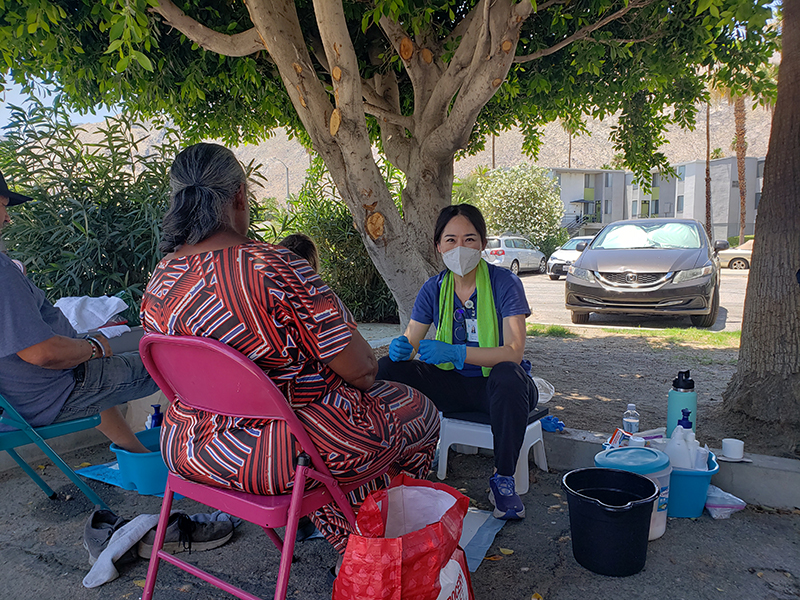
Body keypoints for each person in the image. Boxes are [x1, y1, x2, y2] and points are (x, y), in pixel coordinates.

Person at [139, 143, 439, 557]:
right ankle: (375, 549)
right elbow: (362, 370)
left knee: (342, 423)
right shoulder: (274, 266)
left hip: (190, 448)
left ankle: (354, 541)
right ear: (240, 195)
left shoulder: (160, 278)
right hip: (280, 458)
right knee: (415, 411)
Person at [377, 203, 538, 520]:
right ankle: (392, 465)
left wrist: (456, 352)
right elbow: (411, 341)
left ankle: (503, 480)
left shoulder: (504, 284)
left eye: (469, 239)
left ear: (482, 244)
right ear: (438, 246)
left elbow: (514, 351)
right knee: (386, 369)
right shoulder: (433, 289)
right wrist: (401, 349)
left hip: (500, 391)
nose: (460, 248)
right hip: (453, 385)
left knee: (508, 373)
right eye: (451, 240)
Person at [0, 171, 159, 452]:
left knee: (98, 378)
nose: (7, 218)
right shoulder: (1, 271)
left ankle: (140, 457)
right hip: (52, 393)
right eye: (3, 205)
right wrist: (94, 348)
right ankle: (210, 453)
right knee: (169, 365)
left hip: (16, 403)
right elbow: (43, 353)